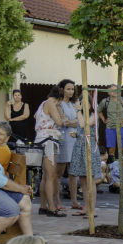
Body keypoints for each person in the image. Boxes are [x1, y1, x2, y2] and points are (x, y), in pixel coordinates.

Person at [69, 96, 102, 218]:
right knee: (83, 179)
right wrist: (76, 135)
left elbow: (83, 125)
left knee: (90, 179)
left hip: (89, 147)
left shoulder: (94, 115)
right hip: (79, 146)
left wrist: (77, 111)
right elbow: (80, 129)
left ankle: (92, 210)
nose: (82, 105)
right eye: (81, 103)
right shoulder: (82, 114)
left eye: (85, 103)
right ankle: (86, 208)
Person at [35, 86, 65, 217]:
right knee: (51, 176)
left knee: (46, 176)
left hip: (40, 139)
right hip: (48, 141)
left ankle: (43, 206)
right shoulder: (50, 103)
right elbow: (59, 121)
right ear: (59, 99)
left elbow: (35, 115)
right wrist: (65, 119)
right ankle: (52, 208)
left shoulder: (42, 103)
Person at [56, 79, 79, 211]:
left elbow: (78, 121)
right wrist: (71, 122)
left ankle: (74, 201)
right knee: (59, 173)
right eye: (68, 89)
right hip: (63, 140)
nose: (71, 91)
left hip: (74, 139)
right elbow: (63, 122)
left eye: (72, 89)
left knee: (73, 173)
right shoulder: (59, 104)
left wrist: (69, 122)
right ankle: (58, 202)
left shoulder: (74, 104)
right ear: (62, 89)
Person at [97, 84, 123, 162]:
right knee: (111, 149)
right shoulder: (105, 101)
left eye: (116, 90)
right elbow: (98, 110)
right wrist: (104, 120)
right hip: (110, 128)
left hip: (122, 127)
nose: (115, 92)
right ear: (108, 93)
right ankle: (112, 167)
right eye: (112, 90)